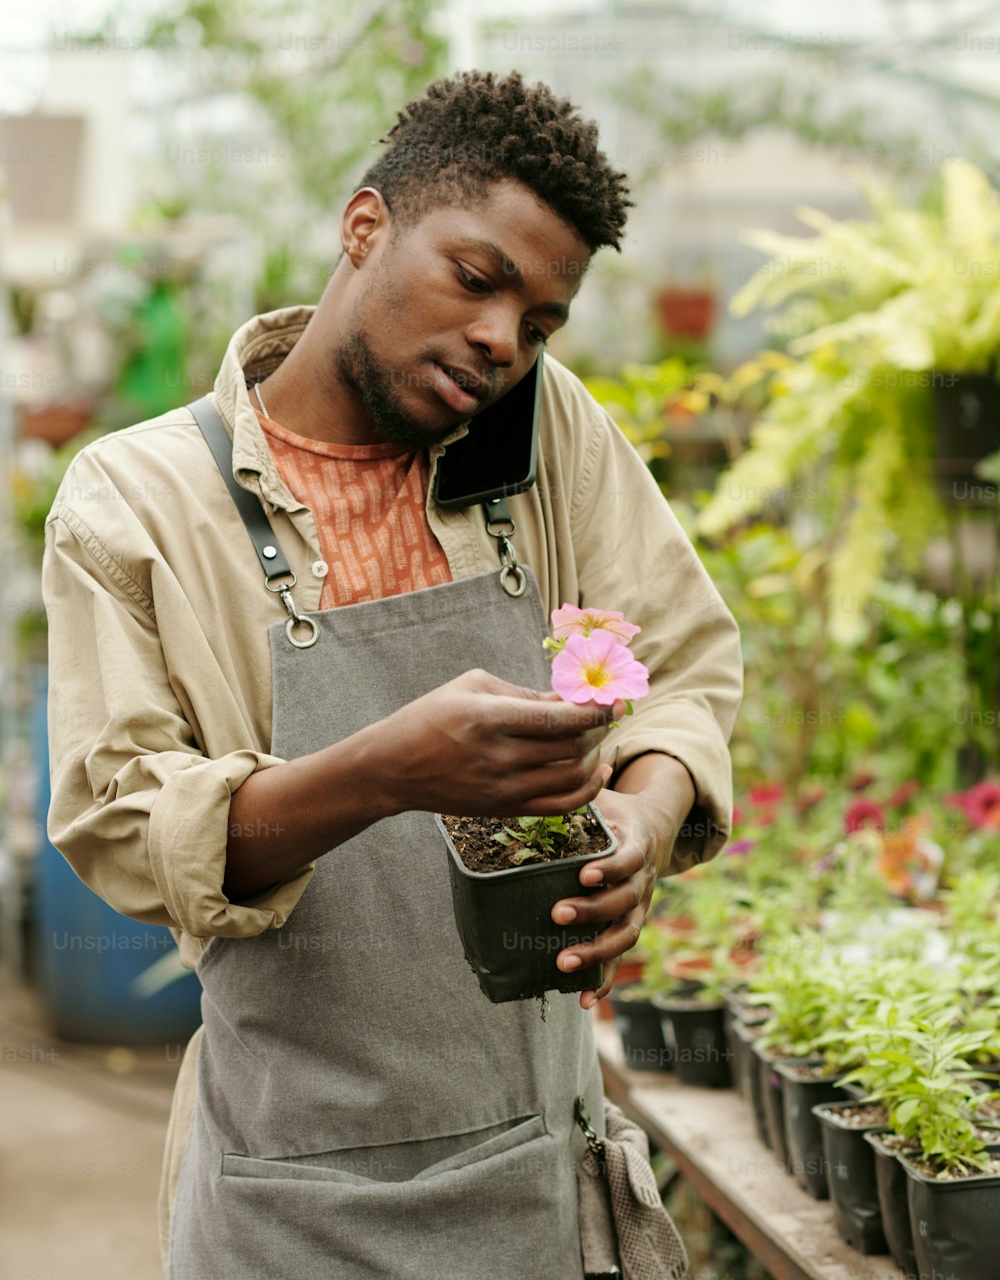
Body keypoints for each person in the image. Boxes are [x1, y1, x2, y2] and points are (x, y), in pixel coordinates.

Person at [43, 70, 742, 1279]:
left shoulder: (544, 437)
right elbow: (125, 826)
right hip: (292, 1199)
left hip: (537, 1175)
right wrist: (381, 772)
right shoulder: (138, 502)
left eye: (537, 322)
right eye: (477, 280)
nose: (498, 342)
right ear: (365, 227)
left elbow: (680, 662)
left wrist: (642, 809)